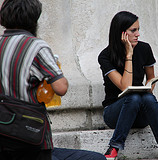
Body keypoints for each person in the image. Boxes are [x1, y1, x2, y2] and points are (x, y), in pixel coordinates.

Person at [0, 0, 106, 160]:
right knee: (96, 158)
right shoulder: (36, 47)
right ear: (34, 18)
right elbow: (61, 87)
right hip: (30, 139)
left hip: (3, 137)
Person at [98, 11, 158, 159]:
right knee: (134, 97)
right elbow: (125, 86)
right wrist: (128, 55)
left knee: (148, 98)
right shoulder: (105, 56)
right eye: (133, 30)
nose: (138, 34)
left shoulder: (144, 49)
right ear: (122, 33)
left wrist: (149, 87)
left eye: (138, 29)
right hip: (114, 113)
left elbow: (150, 79)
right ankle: (114, 147)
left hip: (140, 115)